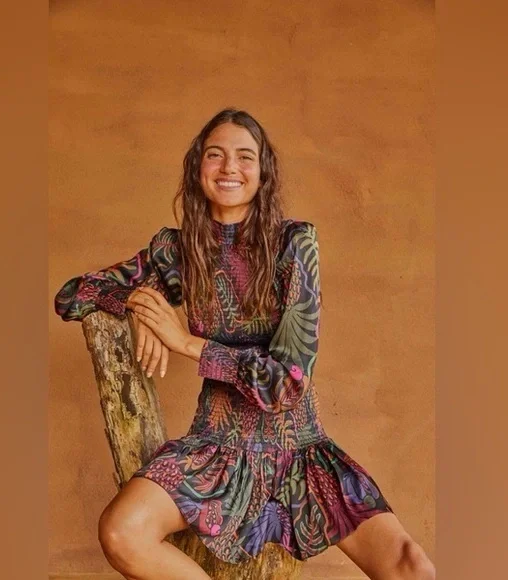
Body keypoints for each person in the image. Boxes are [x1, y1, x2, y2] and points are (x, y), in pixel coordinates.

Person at [54, 109, 435, 580]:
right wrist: (139, 301)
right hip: (215, 452)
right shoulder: (177, 251)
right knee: (121, 531)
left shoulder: (294, 245)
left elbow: (285, 385)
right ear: (198, 167)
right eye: (215, 155)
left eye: (244, 156)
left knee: (411, 566)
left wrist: (186, 342)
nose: (229, 167)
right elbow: (73, 294)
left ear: (263, 171)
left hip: (298, 454)